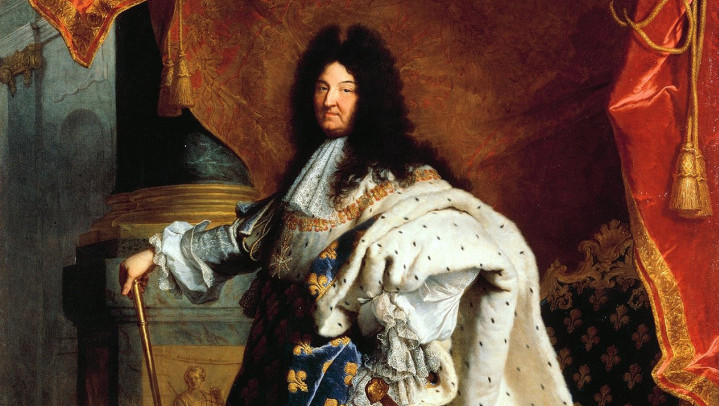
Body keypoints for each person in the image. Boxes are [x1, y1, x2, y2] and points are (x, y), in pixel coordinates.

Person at [120, 25, 572, 406]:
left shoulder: (402, 180)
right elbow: (245, 238)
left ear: (370, 97)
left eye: (346, 89)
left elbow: (459, 249)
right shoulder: (306, 177)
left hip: (344, 368)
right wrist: (156, 255)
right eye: (322, 88)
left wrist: (388, 313)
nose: (330, 100)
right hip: (272, 355)